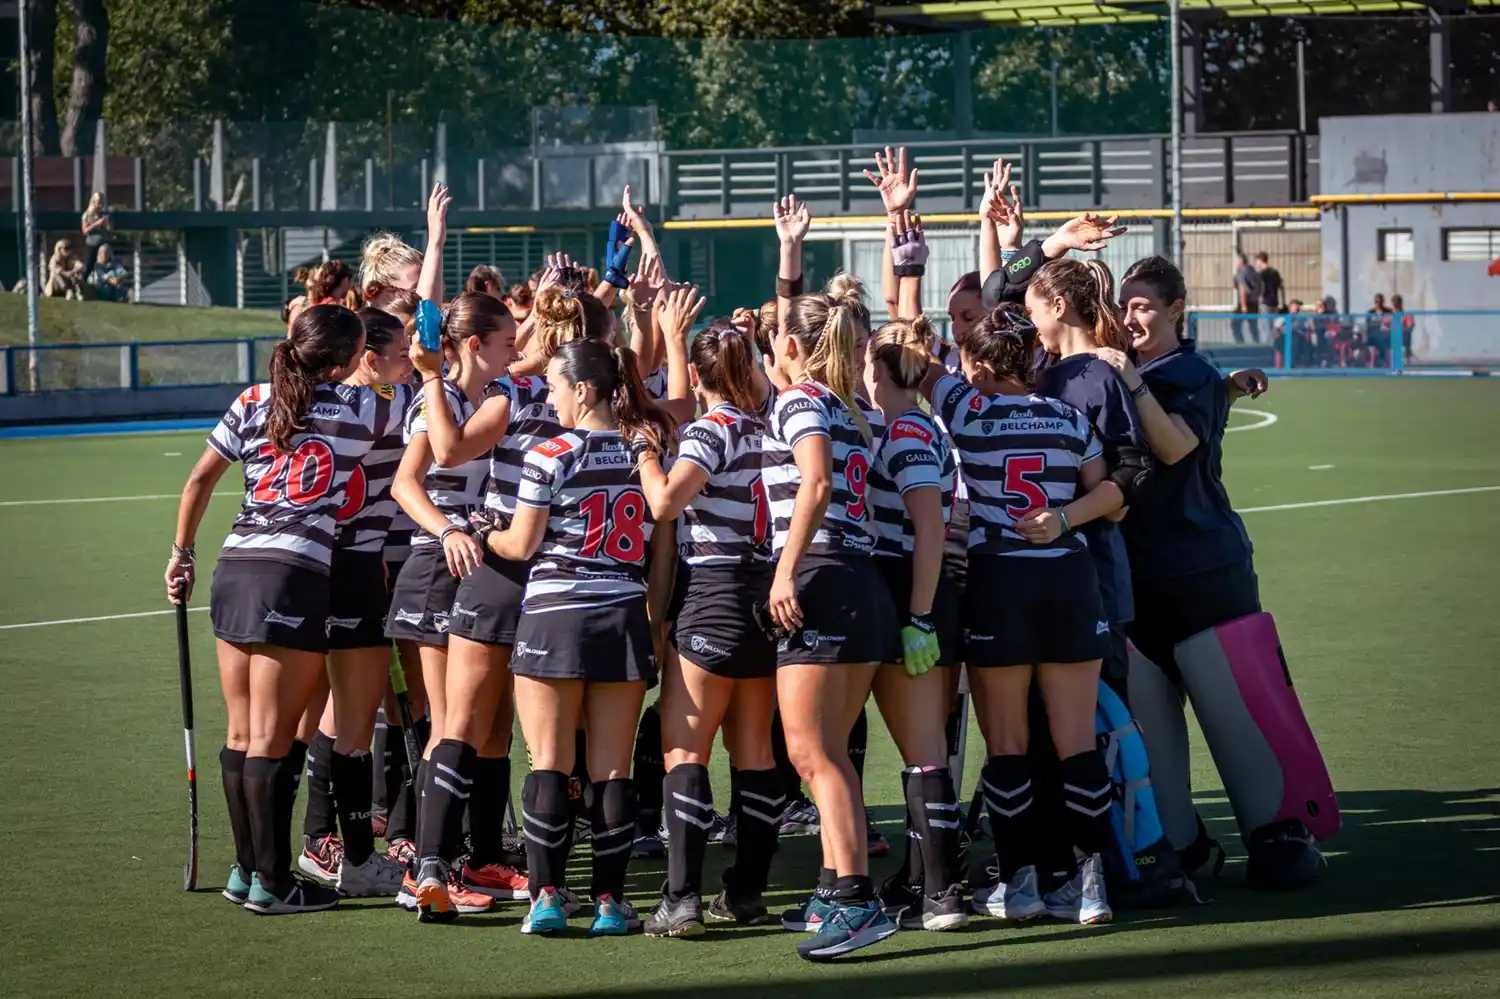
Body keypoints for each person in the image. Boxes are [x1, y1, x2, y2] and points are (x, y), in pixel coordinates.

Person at [164, 304, 387, 915]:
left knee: (240, 733)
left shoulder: (252, 399)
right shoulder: (360, 409)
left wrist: (181, 553)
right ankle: (273, 881)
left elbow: (198, 481)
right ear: (345, 361)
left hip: (233, 568)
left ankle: (246, 872)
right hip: (293, 575)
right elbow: (392, 391)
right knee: (272, 737)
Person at [1109, 256, 1322, 891]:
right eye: (1125, 306)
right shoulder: (1128, 372)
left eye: (1143, 305)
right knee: (1148, 726)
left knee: (1236, 712)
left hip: (1207, 573)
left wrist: (1135, 381)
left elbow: (1175, 446)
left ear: (1177, 309)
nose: (1130, 318)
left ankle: (1279, 827)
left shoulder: (1186, 373)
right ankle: (1180, 840)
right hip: (1135, 581)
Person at [925, 305, 1123, 927]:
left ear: (980, 366)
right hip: (1069, 577)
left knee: (1006, 743)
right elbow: (1111, 497)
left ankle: (1021, 886)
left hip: (999, 579)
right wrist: (1062, 518)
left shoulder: (968, 408)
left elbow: (913, 365)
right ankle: (1089, 886)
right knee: (1076, 742)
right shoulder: (1069, 417)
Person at [472, 336, 674, 937]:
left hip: (555, 617)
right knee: (612, 769)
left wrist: (484, 530)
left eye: (556, 387)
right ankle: (610, 902)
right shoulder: (647, 450)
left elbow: (521, 545)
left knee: (550, 762)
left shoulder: (551, 451)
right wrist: (654, 622)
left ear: (583, 390)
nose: (551, 398)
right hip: (622, 616)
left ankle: (547, 897)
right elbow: (662, 556)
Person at [764, 194, 902, 962]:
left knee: (812, 753)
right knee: (830, 754)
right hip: (862, 577)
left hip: (822, 574)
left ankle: (856, 899)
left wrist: (784, 570)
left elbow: (813, 485)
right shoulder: (853, 404)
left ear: (790, 345)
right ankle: (835, 886)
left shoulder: (802, 400)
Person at [633, 299, 787, 938]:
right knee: (753, 751)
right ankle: (746, 893)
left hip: (716, 594)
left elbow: (667, 502)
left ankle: (682, 898)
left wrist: (647, 455)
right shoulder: (779, 421)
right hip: (768, 596)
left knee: (684, 750)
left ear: (695, 379)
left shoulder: (709, 429)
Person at [403, 292, 537, 923]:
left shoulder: (492, 397)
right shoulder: (445, 398)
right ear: (475, 343)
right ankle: (429, 868)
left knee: (491, 725)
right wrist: (448, 531)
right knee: (449, 723)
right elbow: (410, 481)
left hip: (479, 561)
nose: (518, 344)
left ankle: (481, 855)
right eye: (507, 337)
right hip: (441, 562)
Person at [295, 307, 415, 898]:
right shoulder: (374, 405)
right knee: (352, 712)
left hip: (341, 563)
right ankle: (334, 844)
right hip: (358, 564)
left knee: (345, 710)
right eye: (400, 355)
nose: (411, 363)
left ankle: (325, 840)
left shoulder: (329, 403)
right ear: (369, 359)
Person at [861, 314, 965, 932]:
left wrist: (919, 616)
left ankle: (941, 892)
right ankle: (926, 881)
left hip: (914, 590)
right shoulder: (910, 426)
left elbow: (929, 527)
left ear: (882, 372)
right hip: (919, 589)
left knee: (924, 751)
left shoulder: (904, 431)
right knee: (925, 750)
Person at [1232, 252, 1262, 344]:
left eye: (1237, 261)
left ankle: (1240, 343)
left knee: (1235, 323)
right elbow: (1260, 287)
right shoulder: (1254, 272)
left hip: (1245, 302)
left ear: (1241, 261)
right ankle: (1257, 343)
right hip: (1254, 302)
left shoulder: (1241, 273)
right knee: (1253, 325)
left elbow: (1242, 288)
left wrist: (1243, 305)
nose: (1236, 263)